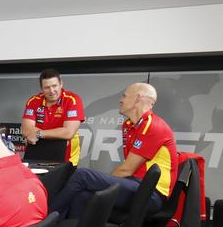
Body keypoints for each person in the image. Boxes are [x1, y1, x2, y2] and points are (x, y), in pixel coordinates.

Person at [49, 83, 178, 219]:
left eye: (124, 96)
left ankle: (44, 222)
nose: (120, 100)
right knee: (82, 196)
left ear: (137, 98)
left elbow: (126, 170)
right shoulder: (128, 126)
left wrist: (101, 184)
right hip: (135, 184)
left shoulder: (153, 126)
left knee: (83, 175)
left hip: (151, 194)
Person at [21, 68, 85, 166]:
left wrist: (38, 134)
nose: (52, 91)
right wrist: (58, 134)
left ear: (61, 84)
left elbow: (68, 132)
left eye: (54, 86)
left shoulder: (72, 100)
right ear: (41, 89)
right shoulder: (33, 101)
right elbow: (26, 130)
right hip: (37, 155)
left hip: (66, 157)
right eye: (47, 87)